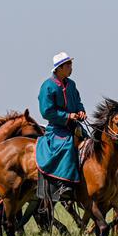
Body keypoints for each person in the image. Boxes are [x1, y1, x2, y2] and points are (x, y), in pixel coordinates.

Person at [36, 52, 86, 211]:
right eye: (68, 65)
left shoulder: (71, 84)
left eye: (71, 64)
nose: (71, 67)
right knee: (68, 145)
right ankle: (64, 185)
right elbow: (46, 112)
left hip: (74, 126)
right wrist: (67, 116)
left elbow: (78, 102)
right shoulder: (47, 86)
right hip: (57, 129)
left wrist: (81, 111)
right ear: (59, 68)